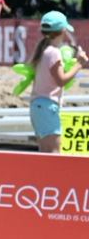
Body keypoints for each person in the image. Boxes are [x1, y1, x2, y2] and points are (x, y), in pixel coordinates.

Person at [28, 10, 82, 155]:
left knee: (45, 153)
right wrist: (79, 64)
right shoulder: (53, 52)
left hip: (38, 105)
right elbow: (61, 80)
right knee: (54, 153)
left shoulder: (44, 49)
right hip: (47, 106)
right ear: (63, 30)